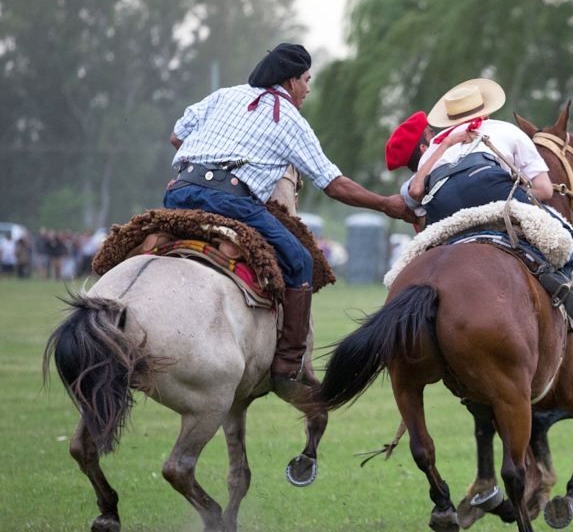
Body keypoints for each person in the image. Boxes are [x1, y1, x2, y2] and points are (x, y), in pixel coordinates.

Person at [165, 43, 416, 390]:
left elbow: (178, 135)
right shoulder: (290, 121)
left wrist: (201, 167)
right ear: (291, 80)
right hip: (233, 202)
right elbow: (333, 184)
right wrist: (387, 205)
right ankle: (289, 362)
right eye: (307, 80)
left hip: (180, 192)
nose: (309, 89)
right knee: (300, 261)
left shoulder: (224, 95)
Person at [385, 81, 573, 318]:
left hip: (444, 215)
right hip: (495, 197)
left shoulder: (440, 144)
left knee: (404, 273)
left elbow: (413, 195)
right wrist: (518, 185)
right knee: (568, 244)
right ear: (485, 110)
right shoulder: (506, 130)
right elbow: (543, 191)